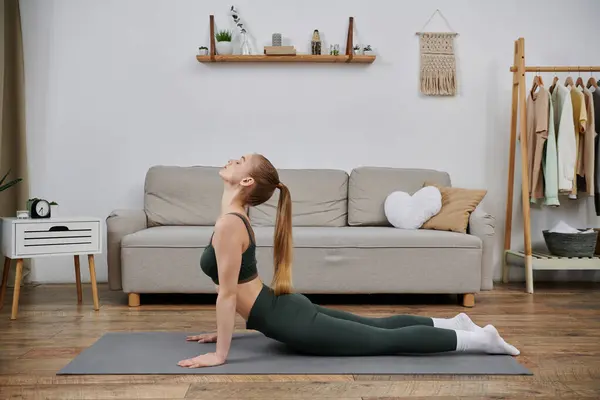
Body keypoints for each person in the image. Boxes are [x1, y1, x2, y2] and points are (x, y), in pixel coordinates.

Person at [177, 154, 520, 369]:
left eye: (239, 161)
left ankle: (478, 340)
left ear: (247, 181)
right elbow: (235, 290)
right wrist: (222, 332)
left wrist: (221, 353)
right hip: (284, 310)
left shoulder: (230, 222)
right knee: (378, 327)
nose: (231, 161)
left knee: (383, 340)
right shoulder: (233, 216)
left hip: (290, 321)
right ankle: (455, 323)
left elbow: (227, 294)